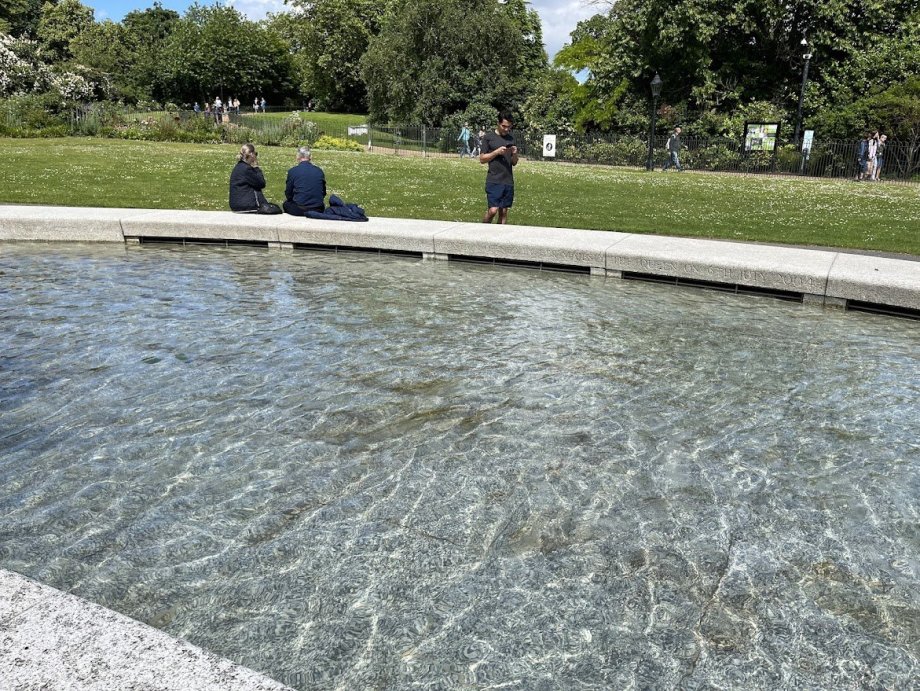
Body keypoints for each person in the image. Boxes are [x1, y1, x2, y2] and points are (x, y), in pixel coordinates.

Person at [480, 111, 519, 224]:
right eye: (504, 126)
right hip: (494, 179)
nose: (506, 129)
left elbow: (514, 162)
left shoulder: (511, 139)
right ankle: (482, 231)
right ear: (498, 123)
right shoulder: (489, 138)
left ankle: (499, 238)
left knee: (503, 212)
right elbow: (482, 159)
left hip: (507, 180)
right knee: (493, 210)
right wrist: (496, 152)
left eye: (509, 127)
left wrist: (515, 154)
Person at [228, 143, 281, 214]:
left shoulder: (237, 167)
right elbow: (261, 183)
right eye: (256, 154)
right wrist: (256, 167)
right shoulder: (247, 169)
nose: (256, 156)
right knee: (275, 209)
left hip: (236, 205)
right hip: (246, 205)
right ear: (251, 154)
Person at [283, 146, 326, 216]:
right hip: (318, 209)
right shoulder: (319, 171)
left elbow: (288, 194)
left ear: (297, 157)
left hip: (299, 209)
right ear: (310, 157)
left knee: (286, 204)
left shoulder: (293, 171)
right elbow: (323, 192)